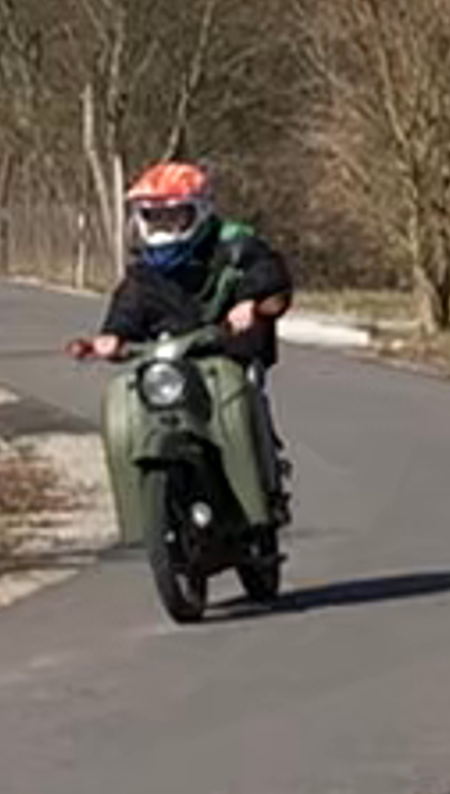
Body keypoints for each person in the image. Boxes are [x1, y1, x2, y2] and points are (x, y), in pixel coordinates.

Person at [77, 159, 294, 544]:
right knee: (127, 403)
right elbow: (129, 307)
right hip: (172, 359)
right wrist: (111, 335)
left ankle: (261, 495)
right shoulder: (145, 272)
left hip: (229, 352)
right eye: (154, 217)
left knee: (237, 402)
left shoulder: (234, 244)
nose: (164, 227)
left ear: (200, 212)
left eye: (175, 216)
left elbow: (269, 274)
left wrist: (250, 303)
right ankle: (145, 520)